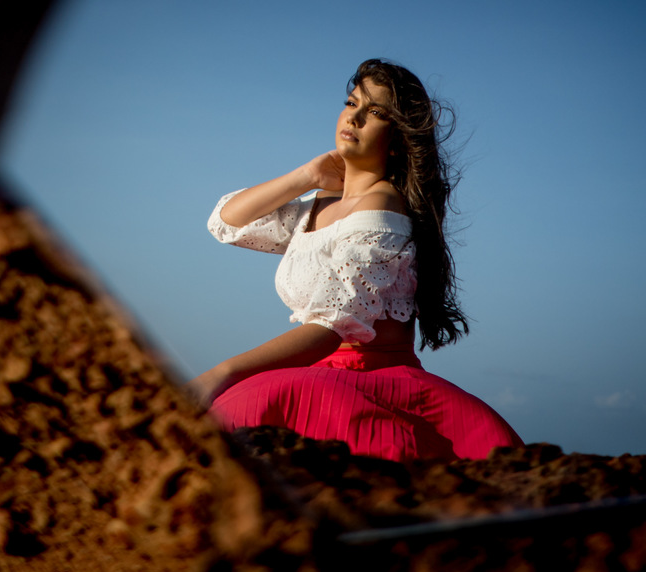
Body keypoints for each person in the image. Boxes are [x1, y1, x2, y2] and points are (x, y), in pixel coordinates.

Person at [189, 59, 522, 462]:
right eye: (352, 103)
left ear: (397, 139)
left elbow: (334, 326)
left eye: (376, 112)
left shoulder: (382, 209)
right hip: (323, 372)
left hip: (370, 379)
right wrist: (308, 176)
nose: (355, 117)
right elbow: (226, 222)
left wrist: (221, 372)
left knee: (231, 413)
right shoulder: (321, 205)